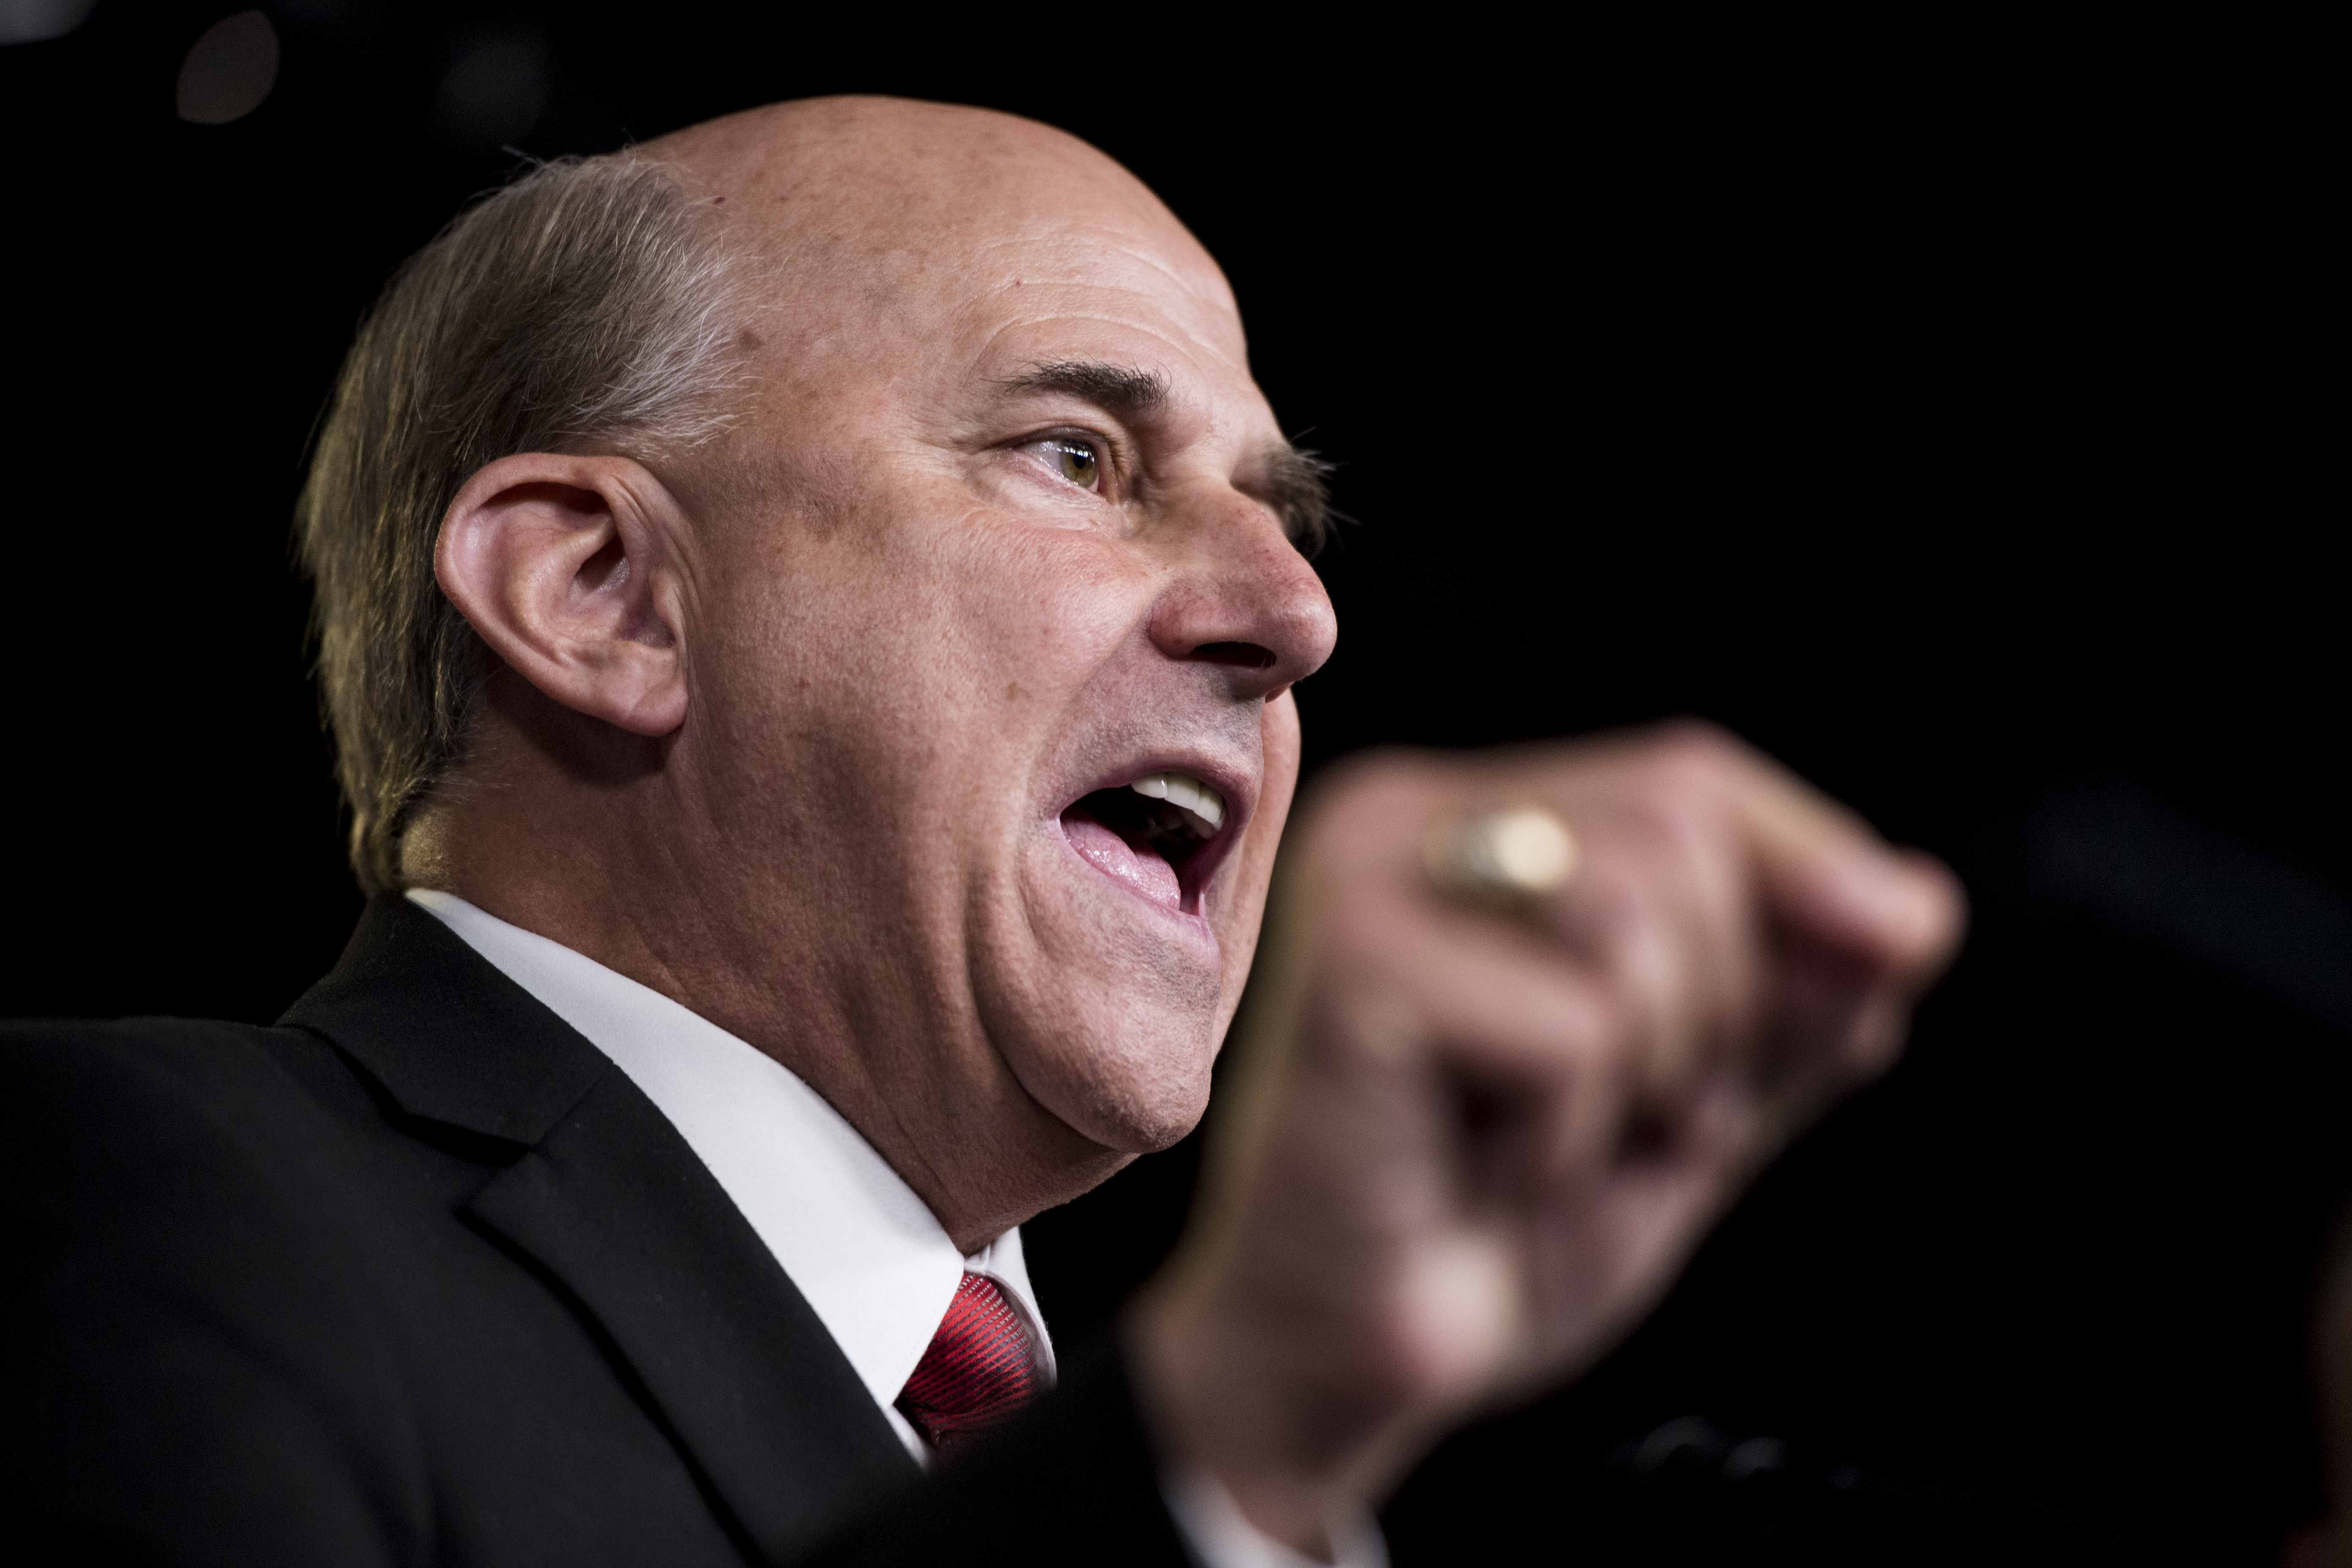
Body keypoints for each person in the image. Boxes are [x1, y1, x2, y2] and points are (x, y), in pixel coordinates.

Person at [0, 96, 1961, 1565]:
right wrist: (1228, 1439)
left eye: (1289, 515)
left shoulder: (1159, 1449)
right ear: (600, 592)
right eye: (1077, 455)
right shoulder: (120, 1202)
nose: (1296, 614)